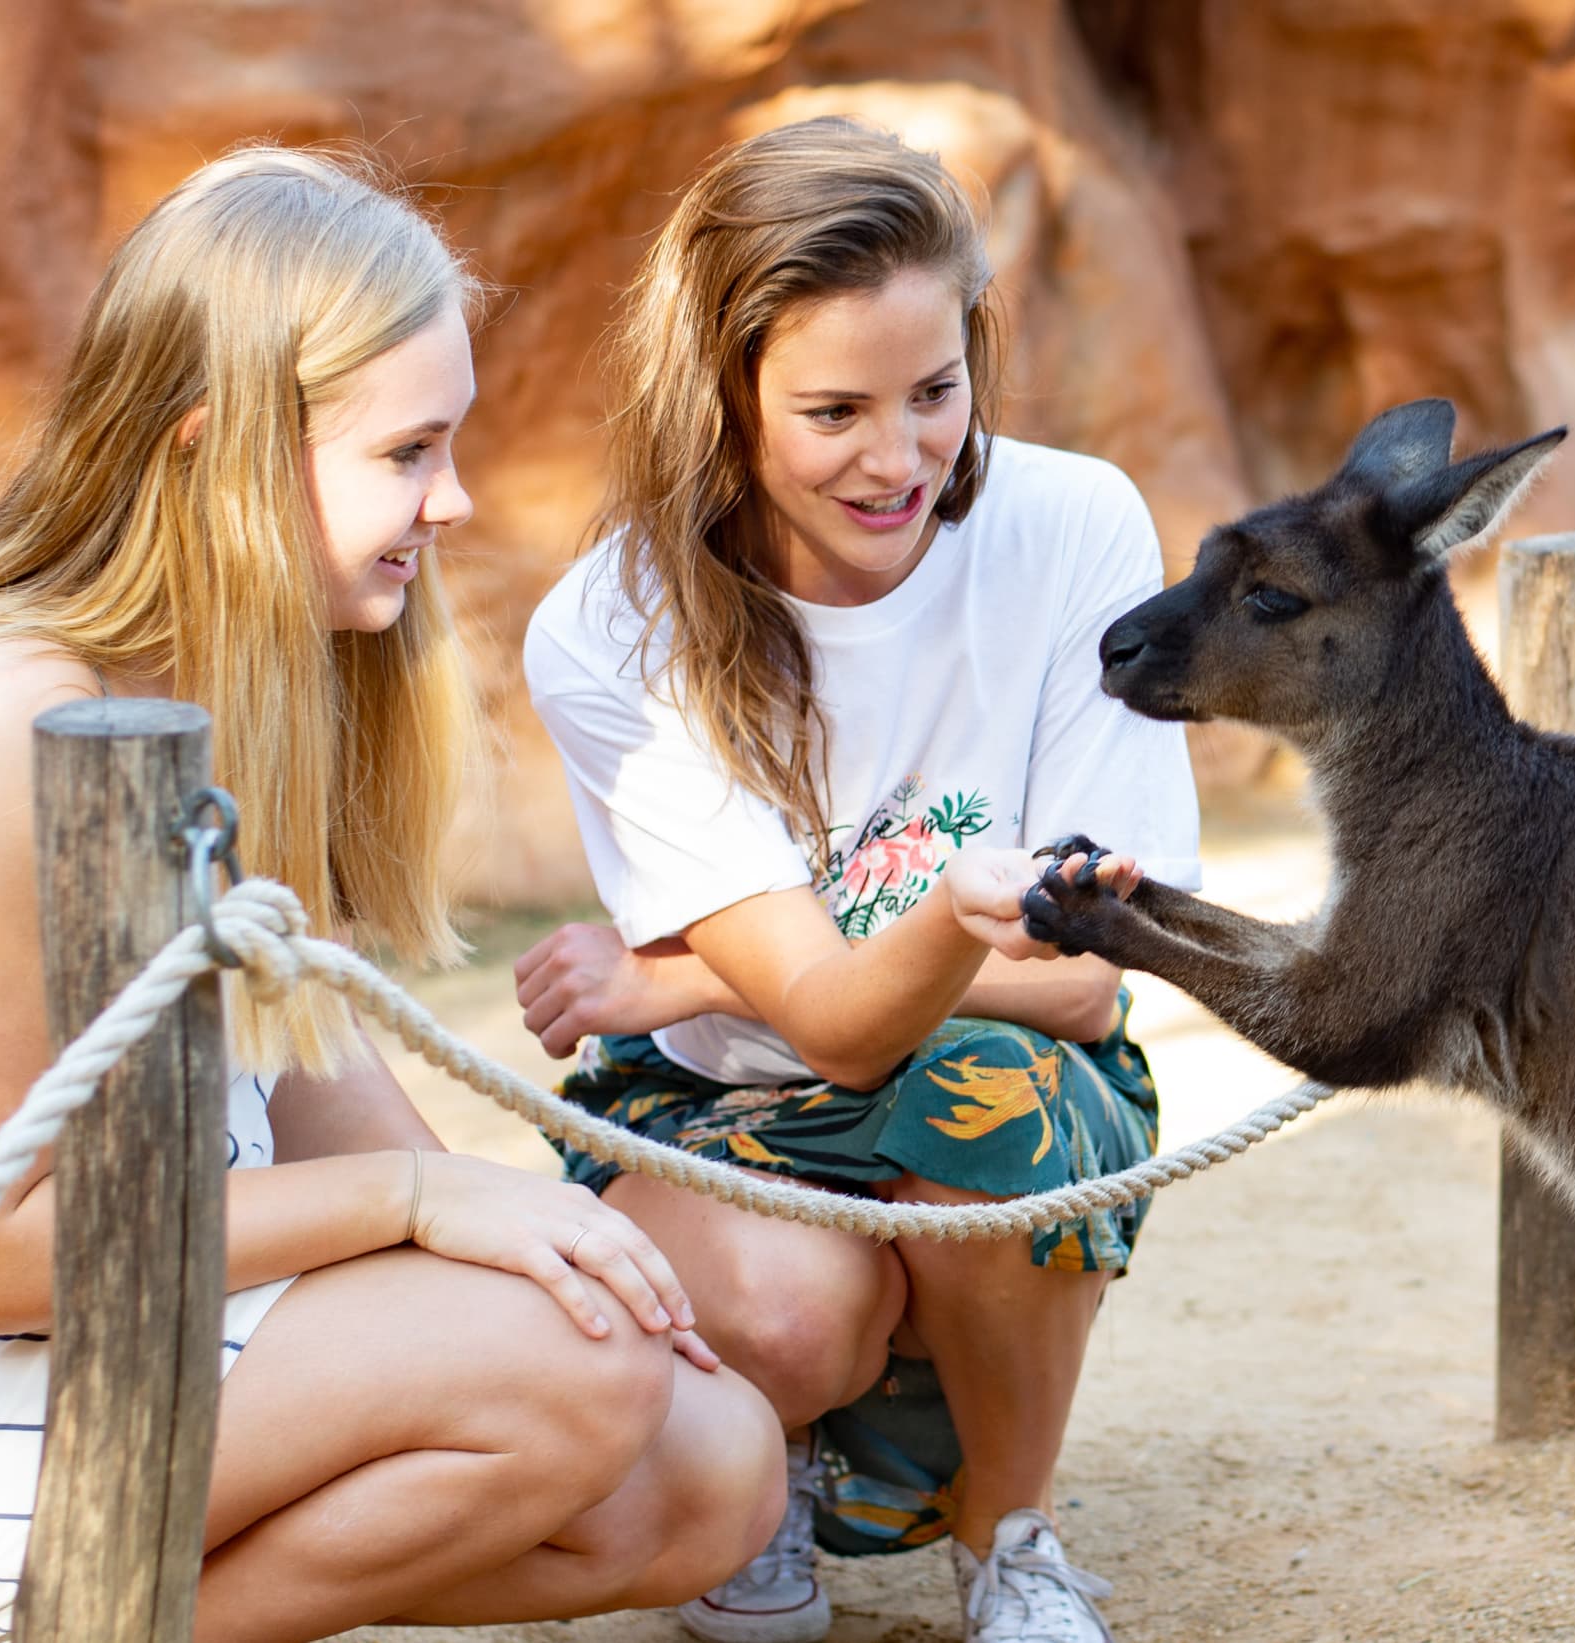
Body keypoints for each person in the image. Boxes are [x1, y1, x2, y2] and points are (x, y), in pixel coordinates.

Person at [0, 146, 784, 1643]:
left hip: (129, 1307)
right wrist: (419, 1204)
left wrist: (516, 1227)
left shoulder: (234, 685)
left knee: (712, 1467)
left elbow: (325, 1096)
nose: (456, 501)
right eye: (409, 451)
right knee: (573, 1375)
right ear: (218, 449)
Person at [511, 116, 1198, 1643]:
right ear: (724, 396)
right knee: (790, 1312)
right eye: (833, 410)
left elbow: (1089, 973)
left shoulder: (1076, 527)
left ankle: (1009, 1534)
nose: (898, 459)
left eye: (935, 391)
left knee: (997, 1092)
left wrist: (679, 969)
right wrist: (939, 922)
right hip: (720, 1106)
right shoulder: (612, 624)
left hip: (1002, 1092)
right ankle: (758, 1489)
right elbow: (826, 1026)